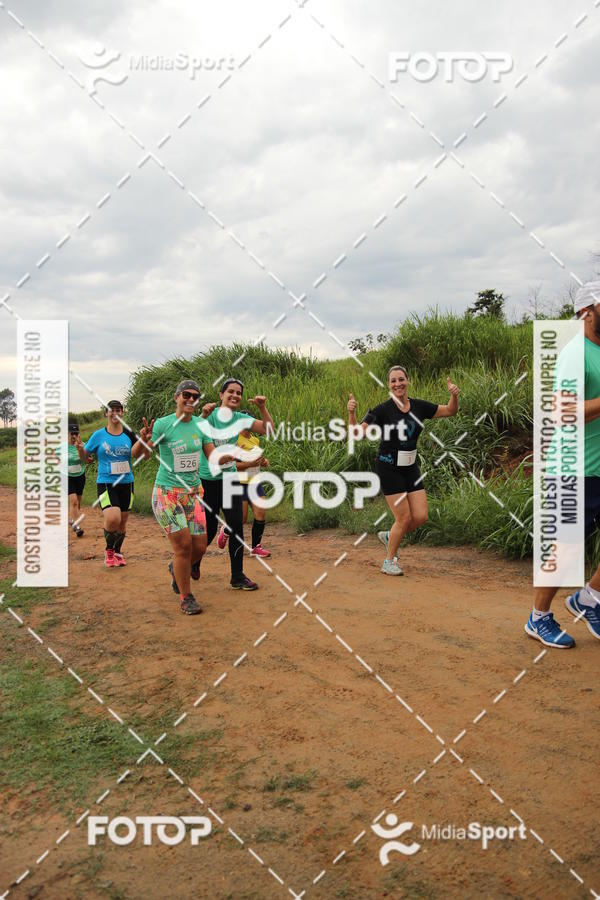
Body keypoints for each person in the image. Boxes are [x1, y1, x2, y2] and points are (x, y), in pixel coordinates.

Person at [525, 281, 600, 648]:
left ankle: (588, 598)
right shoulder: (576, 352)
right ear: (588, 312)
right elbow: (564, 412)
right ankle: (538, 617)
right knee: (566, 548)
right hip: (573, 467)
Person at [348, 366, 459, 575]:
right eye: (393, 381)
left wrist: (454, 396)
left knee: (421, 516)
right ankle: (389, 561)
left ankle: (391, 536)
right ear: (389, 385)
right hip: (388, 468)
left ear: (408, 381)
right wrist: (351, 413)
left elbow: (450, 411)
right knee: (404, 518)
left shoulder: (419, 406)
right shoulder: (381, 411)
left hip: (410, 468)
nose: (397, 384)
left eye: (401, 379)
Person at [140, 379, 225, 615]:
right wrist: (144, 438)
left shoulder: (200, 425)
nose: (190, 400)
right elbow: (142, 455)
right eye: (186, 395)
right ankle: (186, 597)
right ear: (176, 397)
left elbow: (212, 456)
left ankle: (175, 567)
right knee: (184, 546)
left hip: (192, 493)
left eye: (195, 396)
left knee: (199, 547)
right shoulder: (164, 425)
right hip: (167, 493)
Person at [199, 377, 274, 590]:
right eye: (230, 391)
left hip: (230, 477)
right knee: (210, 529)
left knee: (236, 526)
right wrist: (203, 414)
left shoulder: (241, 418)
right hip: (209, 480)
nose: (235, 395)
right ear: (221, 395)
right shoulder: (210, 416)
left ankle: (237, 576)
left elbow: (268, 429)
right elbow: (197, 434)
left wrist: (262, 407)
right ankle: (191, 563)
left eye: (238, 393)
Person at [76, 400, 146, 568]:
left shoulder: (129, 434)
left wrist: (144, 439)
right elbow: (85, 458)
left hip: (127, 483)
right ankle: (109, 550)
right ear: (106, 413)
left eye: (118, 410)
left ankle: (118, 552)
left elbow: (137, 454)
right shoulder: (98, 435)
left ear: (122, 413)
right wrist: (80, 449)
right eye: (111, 410)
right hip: (106, 482)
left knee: (122, 522)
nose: (115, 413)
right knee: (112, 518)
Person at [217, 417, 271, 558]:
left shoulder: (255, 440)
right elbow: (228, 465)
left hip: (254, 482)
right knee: (241, 519)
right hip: (238, 483)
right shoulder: (234, 440)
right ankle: (226, 530)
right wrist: (249, 464)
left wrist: (263, 462)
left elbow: (256, 460)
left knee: (261, 513)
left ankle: (256, 547)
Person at [66, 422, 85, 537]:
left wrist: (88, 458)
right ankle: (77, 527)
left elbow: (85, 459)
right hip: (67, 477)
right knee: (73, 501)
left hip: (80, 476)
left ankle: (72, 519)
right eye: (71, 433)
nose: (74, 436)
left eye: (76, 433)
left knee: (77, 504)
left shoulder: (83, 445)